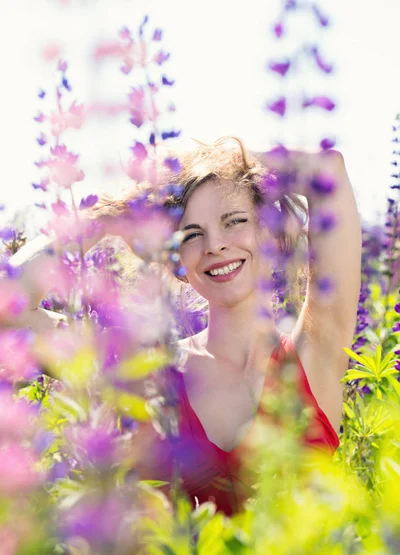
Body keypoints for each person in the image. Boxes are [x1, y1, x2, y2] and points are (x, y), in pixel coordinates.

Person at [0, 137, 362, 516]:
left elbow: (327, 169)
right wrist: (105, 218)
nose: (215, 245)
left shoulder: (314, 352)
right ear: (177, 262)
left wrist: (230, 164)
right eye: (192, 234)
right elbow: (10, 305)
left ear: (268, 233)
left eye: (234, 221)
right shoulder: (147, 374)